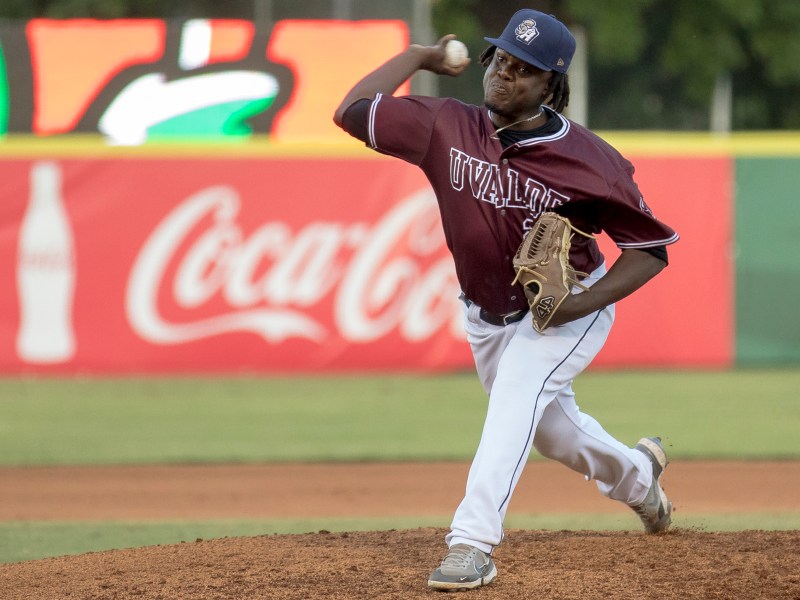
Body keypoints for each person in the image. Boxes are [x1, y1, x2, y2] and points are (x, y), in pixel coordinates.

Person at [334, 8, 679, 592]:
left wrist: (576, 307)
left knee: (516, 394)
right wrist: (420, 56)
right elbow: (352, 112)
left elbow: (649, 249)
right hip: (486, 314)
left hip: (570, 304)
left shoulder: (590, 161)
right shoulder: (445, 125)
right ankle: (640, 478)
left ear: (551, 85)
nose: (503, 74)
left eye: (524, 70)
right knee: (551, 433)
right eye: (501, 60)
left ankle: (471, 543)